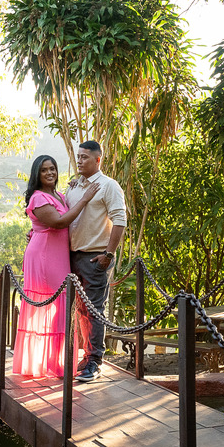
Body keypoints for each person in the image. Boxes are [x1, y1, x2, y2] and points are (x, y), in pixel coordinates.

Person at [12, 154, 98, 379]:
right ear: (37, 175)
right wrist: (85, 198)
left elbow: (64, 211)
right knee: (56, 305)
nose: (50, 173)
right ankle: (52, 364)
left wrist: (76, 187)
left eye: (52, 168)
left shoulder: (58, 195)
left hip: (58, 254)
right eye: (44, 170)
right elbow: (60, 222)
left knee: (61, 308)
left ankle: (57, 362)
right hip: (44, 256)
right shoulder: (38, 198)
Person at [65, 140, 127, 382]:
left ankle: (94, 362)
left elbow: (120, 220)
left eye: (85, 157)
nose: (79, 160)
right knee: (80, 310)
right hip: (72, 256)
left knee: (93, 309)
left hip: (95, 257)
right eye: (78, 156)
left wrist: (108, 254)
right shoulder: (74, 187)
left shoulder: (108, 186)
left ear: (98, 159)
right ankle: (86, 356)